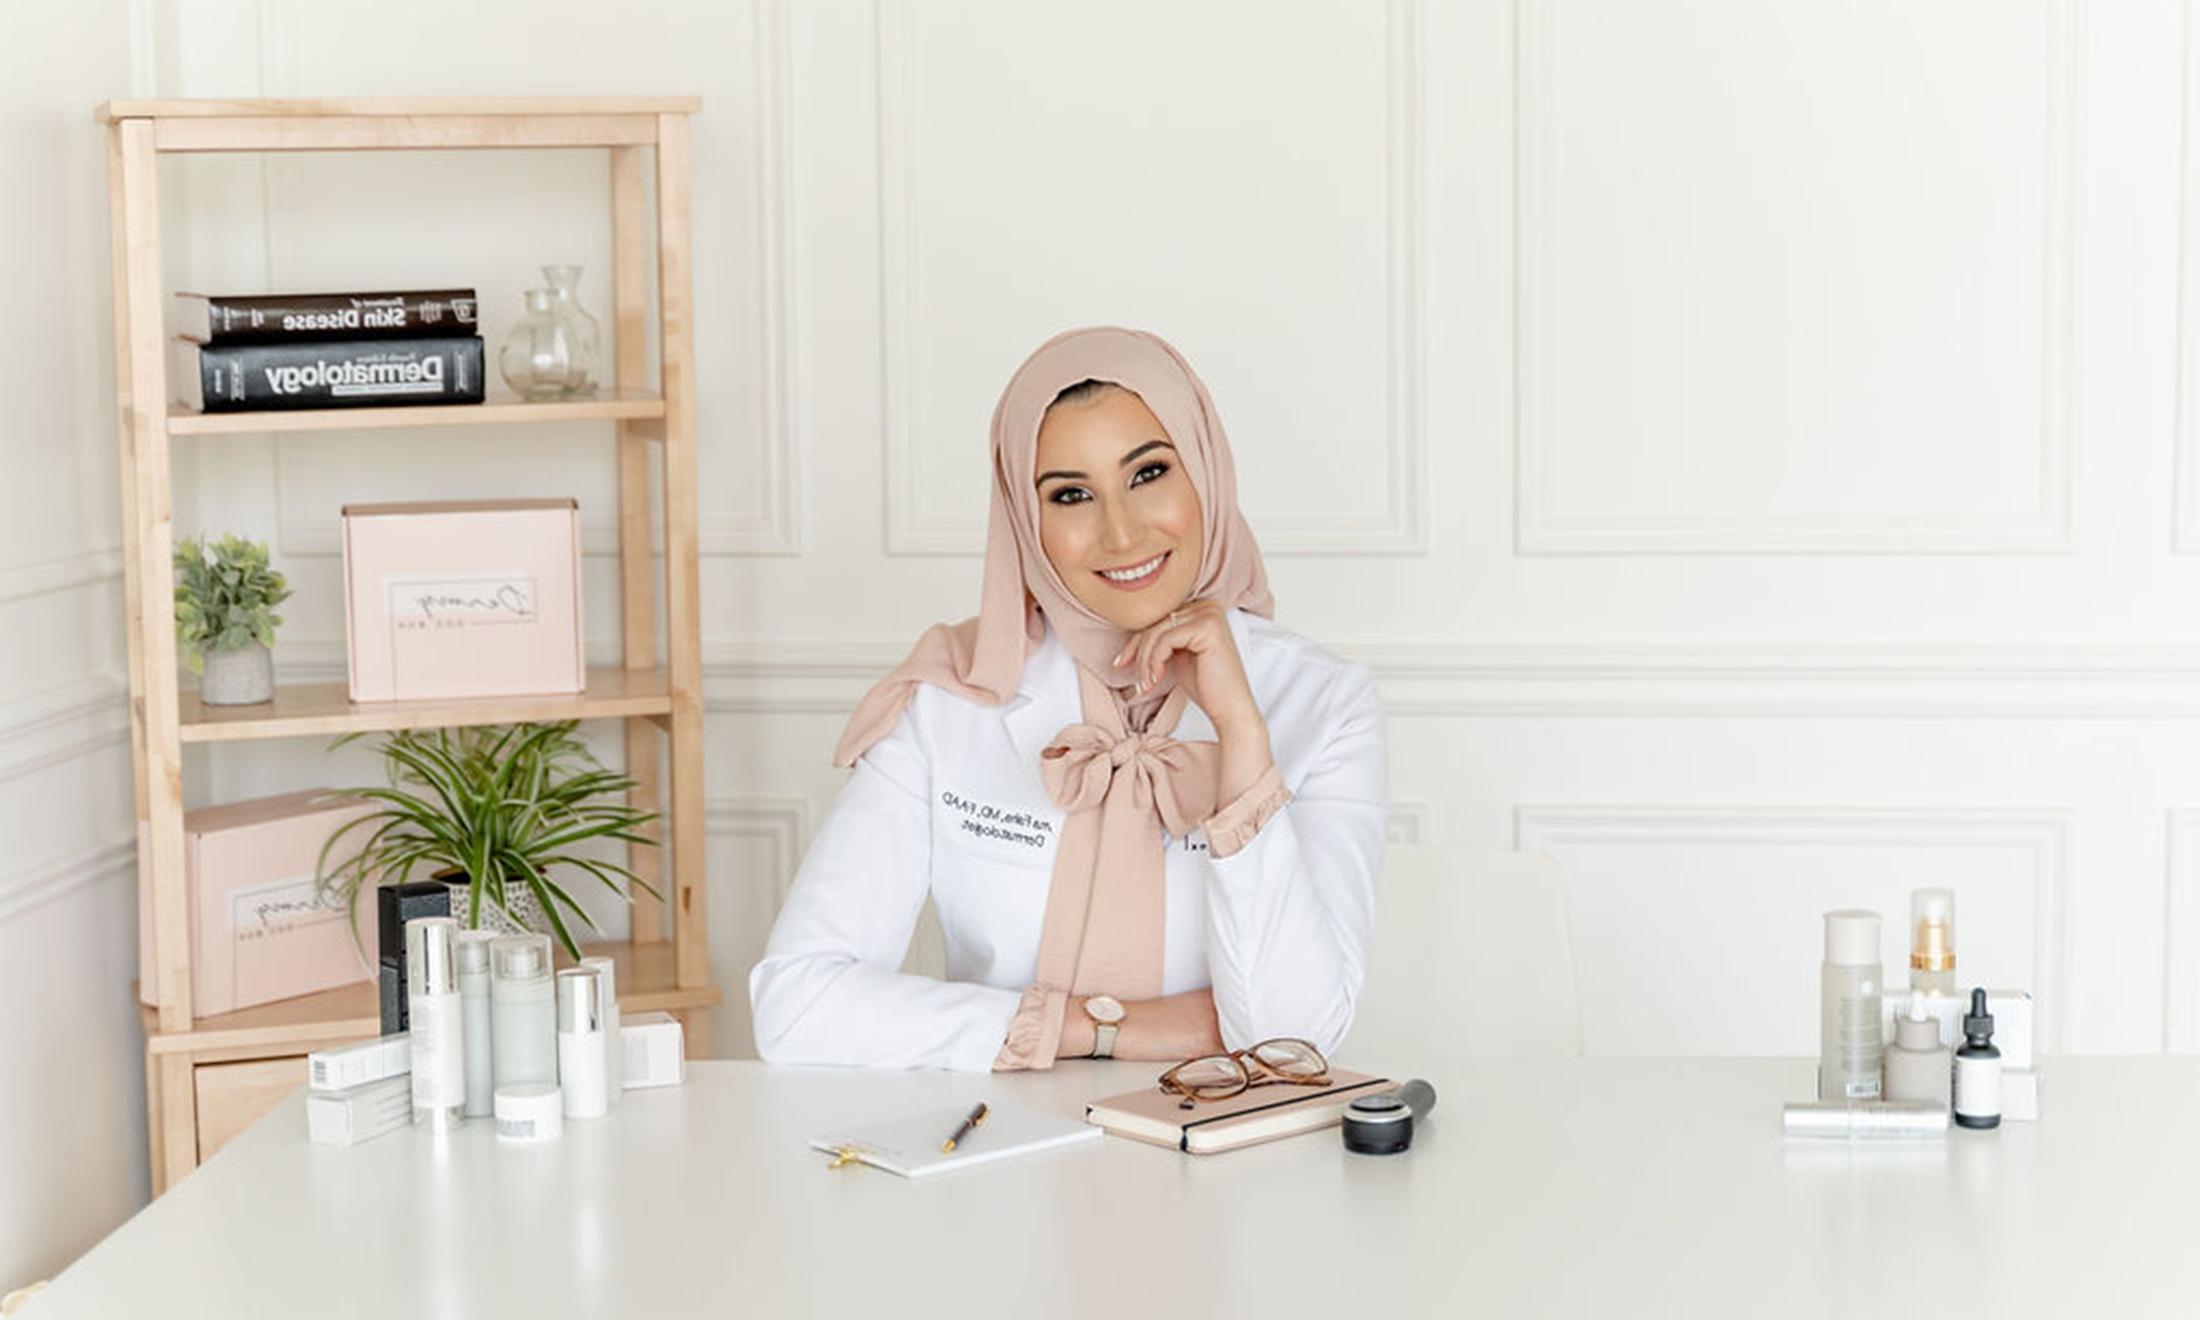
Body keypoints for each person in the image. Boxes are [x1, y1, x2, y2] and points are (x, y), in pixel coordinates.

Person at [748, 326, 1386, 1071]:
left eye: (1148, 474)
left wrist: (1241, 736)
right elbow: (795, 1009)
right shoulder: (952, 697)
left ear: (1206, 472)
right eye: (1071, 495)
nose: (1120, 532)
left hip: (1236, 1157)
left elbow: (1293, 1041)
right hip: (1004, 1145)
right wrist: (1088, 1028)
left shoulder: (1323, 704)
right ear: (1026, 519)